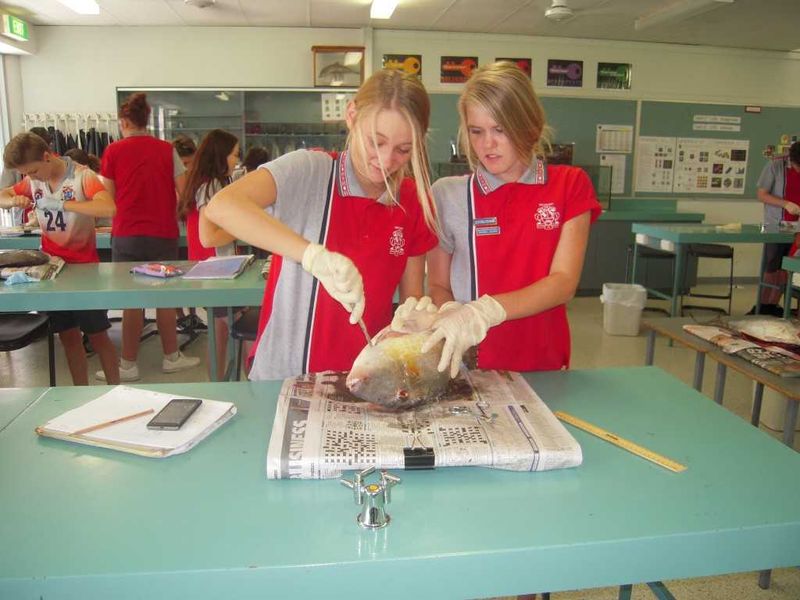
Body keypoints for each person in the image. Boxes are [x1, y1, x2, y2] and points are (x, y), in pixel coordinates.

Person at [205, 69, 438, 380]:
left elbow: (410, 300)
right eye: (375, 141)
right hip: (285, 375)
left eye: (403, 150)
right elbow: (222, 207)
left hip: (364, 376)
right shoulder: (310, 172)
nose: (385, 160)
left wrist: (412, 325)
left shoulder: (411, 200)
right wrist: (312, 256)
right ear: (352, 115)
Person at [408, 61, 601, 378]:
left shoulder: (569, 185)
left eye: (500, 130)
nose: (487, 144)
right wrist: (452, 311)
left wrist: (486, 310)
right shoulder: (449, 195)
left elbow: (564, 282)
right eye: (476, 131)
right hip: (470, 366)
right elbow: (439, 283)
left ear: (530, 126)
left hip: (544, 363)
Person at [0, 132, 120, 385]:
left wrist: (65, 205)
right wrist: (12, 201)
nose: (31, 178)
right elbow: (2, 195)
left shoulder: (82, 176)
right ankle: (80, 393)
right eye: (26, 174)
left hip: (84, 272)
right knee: (68, 337)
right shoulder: (33, 182)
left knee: (98, 336)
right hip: (52, 271)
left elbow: (108, 208)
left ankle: (115, 389)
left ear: (47, 156)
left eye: (33, 171)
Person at [97, 92, 200, 382]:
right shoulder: (166, 150)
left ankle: (128, 365)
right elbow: (184, 190)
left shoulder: (113, 152)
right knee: (164, 296)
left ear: (124, 122)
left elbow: (108, 198)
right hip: (162, 233)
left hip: (127, 233)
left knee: (132, 300)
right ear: (146, 121)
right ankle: (171, 357)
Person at [177, 128, 241, 376]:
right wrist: (243, 230)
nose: (236, 160)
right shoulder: (212, 185)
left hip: (213, 267)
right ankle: (231, 380)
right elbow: (209, 237)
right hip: (216, 268)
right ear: (221, 155)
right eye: (234, 154)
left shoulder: (208, 183)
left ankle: (219, 380)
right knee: (226, 328)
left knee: (220, 329)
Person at [749, 141, 800, 316]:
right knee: (772, 264)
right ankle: (763, 304)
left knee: (789, 266)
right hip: (776, 225)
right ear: (791, 160)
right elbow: (761, 195)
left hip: (798, 228)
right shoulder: (775, 165)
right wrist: (785, 204)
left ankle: (774, 305)